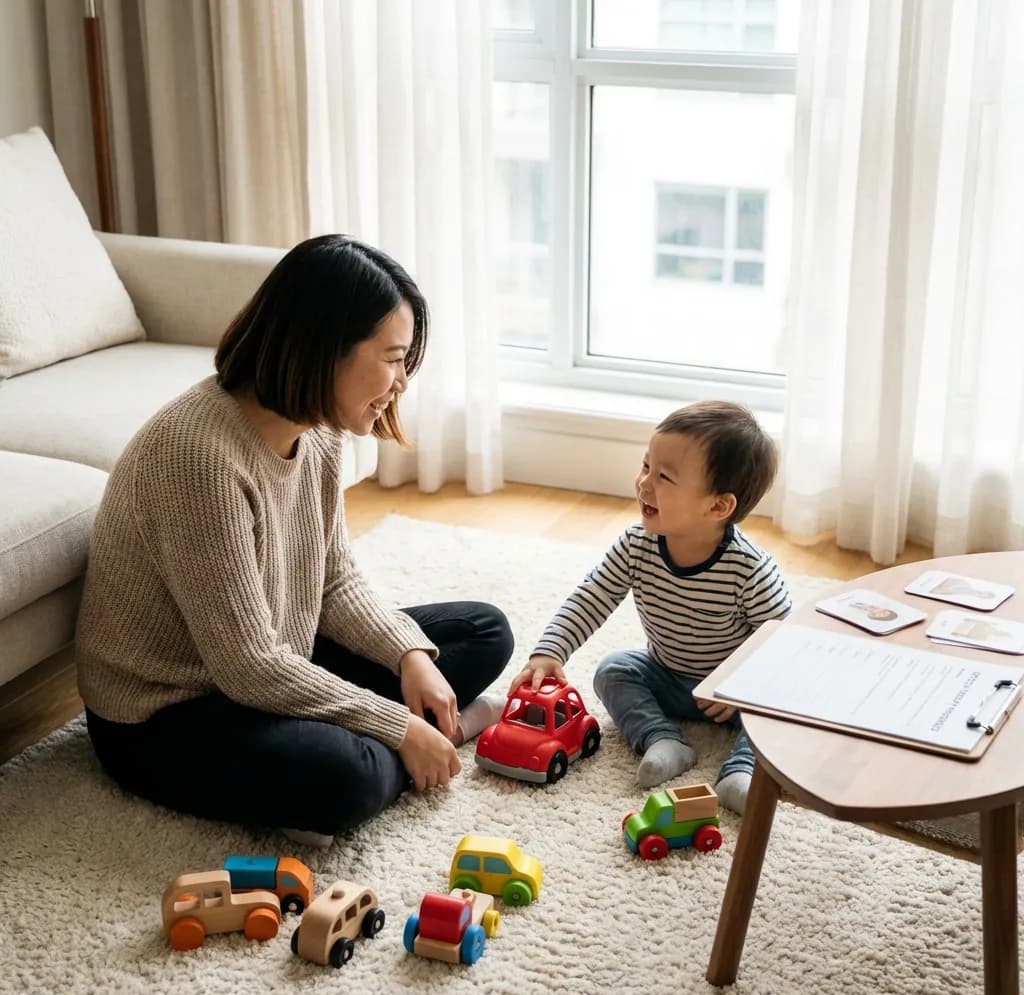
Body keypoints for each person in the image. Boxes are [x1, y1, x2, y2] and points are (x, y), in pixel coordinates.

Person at [76, 234, 513, 848]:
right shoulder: (195, 457)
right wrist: (396, 725)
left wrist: (408, 656)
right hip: (166, 713)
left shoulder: (320, 430)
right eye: (391, 358)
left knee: (482, 631)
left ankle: (407, 737)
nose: (402, 382)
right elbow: (247, 666)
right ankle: (426, 740)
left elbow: (333, 577)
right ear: (325, 349)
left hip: (276, 661)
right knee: (346, 780)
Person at [509, 401, 791, 814]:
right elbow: (592, 596)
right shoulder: (636, 545)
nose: (643, 484)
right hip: (668, 675)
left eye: (663, 477)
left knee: (783, 708)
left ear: (718, 507)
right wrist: (550, 651)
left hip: (735, 693)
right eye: (645, 466)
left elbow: (782, 641)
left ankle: (741, 770)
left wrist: (740, 686)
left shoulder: (748, 568)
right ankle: (663, 739)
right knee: (613, 670)